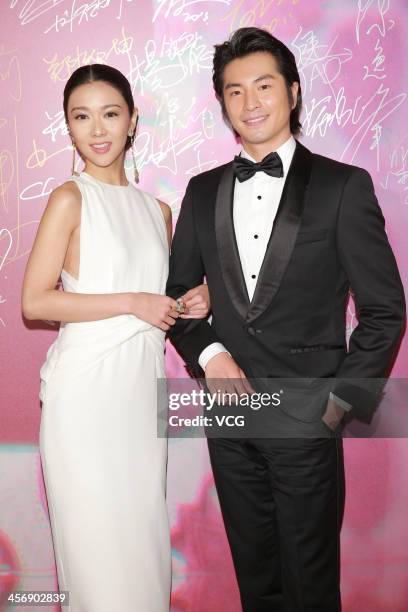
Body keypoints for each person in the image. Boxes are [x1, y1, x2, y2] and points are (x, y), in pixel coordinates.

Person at [166, 27, 406, 612]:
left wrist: (340, 403)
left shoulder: (342, 187)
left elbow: (384, 310)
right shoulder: (200, 193)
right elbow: (177, 298)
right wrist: (211, 355)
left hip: (307, 419)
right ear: (222, 103)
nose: (251, 103)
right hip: (230, 422)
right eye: (235, 90)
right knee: (258, 583)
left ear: (293, 93)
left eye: (265, 86)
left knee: (310, 587)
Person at [21, 63, 210, 612]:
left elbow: (158, 304)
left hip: (137, 394)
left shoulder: (158, 211)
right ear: (69, 127)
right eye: (82, 117)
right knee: (97, 560)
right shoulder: (68, 198)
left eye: (110, 114)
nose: (97, 129)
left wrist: (191, 302)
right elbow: (37, 301)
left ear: (132, 123)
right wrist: (132, 301)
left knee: (140, 549)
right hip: (84, 398)